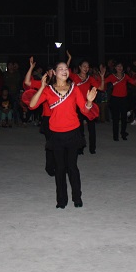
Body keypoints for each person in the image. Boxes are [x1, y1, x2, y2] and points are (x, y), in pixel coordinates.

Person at [27, 61, 98, 209]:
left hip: (73, 132)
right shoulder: (48, 90)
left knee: (72, 166)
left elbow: (84, 110)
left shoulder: (74, 88)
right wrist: (42, 87)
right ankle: (61, 200)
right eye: (61, 69)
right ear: (54, 72)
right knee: (59, 168)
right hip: (56, 134)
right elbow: (32, 105)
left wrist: (89, 102)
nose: (64, 71)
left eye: (66, 68)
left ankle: (77, 197)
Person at [66, 51, 105, 154]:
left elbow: (101, 88)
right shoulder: (75, 77)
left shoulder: (90, 78)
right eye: (84, 66)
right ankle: (80, 148)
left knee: (92, 128)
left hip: (88, 105)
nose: (86, 68)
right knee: (79, 129)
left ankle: (92, 148)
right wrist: (69, 59)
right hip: (77, 106)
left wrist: (102, 76)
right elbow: (65, 70)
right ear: (79, 67)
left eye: (87, 67)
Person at [24, 57, 56, 176]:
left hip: (60, 118)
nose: (53, 73)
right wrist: (31, 68)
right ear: (47, 73)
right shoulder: (44, 85)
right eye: (51, 71)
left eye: (55, 71)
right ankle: (50, 166)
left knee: (60, 143)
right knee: (50, 143)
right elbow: (27, 82)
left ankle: (60, 165)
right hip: (48, 118)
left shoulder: (62, 85)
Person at [105, 61, 136, 141]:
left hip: (123, 99)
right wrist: (102, 77)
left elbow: (133, 82)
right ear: (115, 68)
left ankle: (123, 133)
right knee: (116, 118)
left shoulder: (125, 76)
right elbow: (103, 82)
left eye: (121, 66)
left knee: (124, 118)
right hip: (115, 99)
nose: (119, 68)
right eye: (118, 66)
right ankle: (115, 136)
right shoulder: (112, 76)